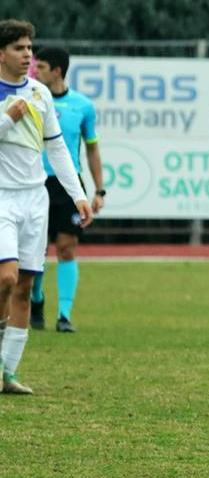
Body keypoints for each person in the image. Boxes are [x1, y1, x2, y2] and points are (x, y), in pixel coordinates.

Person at [0, 19, 93, 395]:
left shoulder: (39, 94)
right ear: (1, 54)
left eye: (29, 48)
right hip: (2, 197)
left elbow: (56, 147)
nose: (28, 55)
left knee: (24, 286)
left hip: (35, 198)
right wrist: (8, 118)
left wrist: (79, 194)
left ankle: (8, 374)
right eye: (19, 48)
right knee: (5, 278)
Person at [30, 46, 105, 333]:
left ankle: (64, 315)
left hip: (68, 185)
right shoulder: (31, 99)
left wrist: (99, 190)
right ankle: (36, 298)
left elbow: (92, 149)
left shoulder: (83, 106)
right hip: (35, 183)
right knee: (36, 251)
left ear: (57, 71)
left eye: (41, 67)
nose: (35, 71)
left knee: (66, 248)